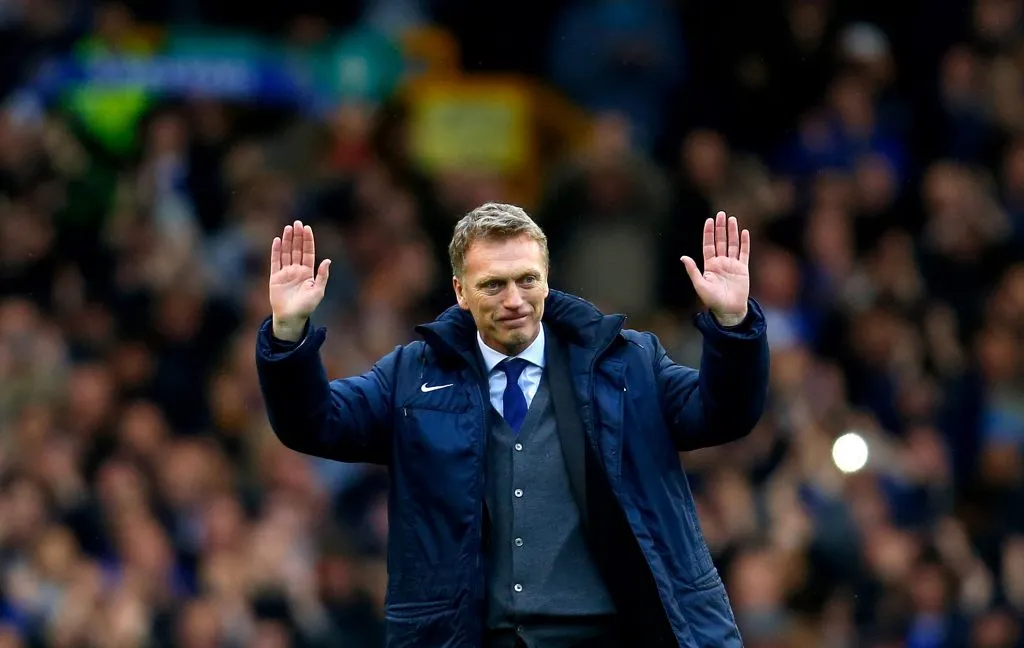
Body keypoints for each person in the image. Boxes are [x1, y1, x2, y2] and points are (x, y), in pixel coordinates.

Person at [255, 203, 770, 648]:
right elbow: (315, 424)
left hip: (616, 634)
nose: (515, 300)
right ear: (459, 290)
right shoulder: (411, 377)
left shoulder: (627, 363)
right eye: (493, 285)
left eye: (527, 280)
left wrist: (732, 327)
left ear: (548, 277)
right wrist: (287, 333)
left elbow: (724, 413)